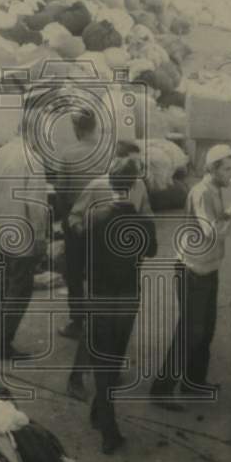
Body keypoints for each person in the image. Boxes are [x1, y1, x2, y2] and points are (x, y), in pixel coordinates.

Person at [150, 143, 231, 409]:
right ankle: (161, 390)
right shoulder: (202, 192)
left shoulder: (214, 189)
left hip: (208, 268)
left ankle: (193, 383)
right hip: (194, 270)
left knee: (206, 329)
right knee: (190, 332)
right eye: (227, 169)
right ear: (212, 169)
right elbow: (211, 230)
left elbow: (217, 217)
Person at [65, 140, 157, 401]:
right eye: (133, 162)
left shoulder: (139, 186)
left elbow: (147, 214)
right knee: (95, 326)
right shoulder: (96, 186)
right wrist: (86, 240)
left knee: (122, 324)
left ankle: (111, 372)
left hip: (127, 266)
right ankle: (76, 377)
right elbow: (74, 217)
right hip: (100, 268)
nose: (138, 169)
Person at [81, 155, 157, 453]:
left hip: (99, 295)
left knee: (102, 359)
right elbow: (150, 251)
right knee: (115, 356)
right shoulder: (141, 221)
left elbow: (83, 252)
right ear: (134, 184)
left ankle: (101, 411)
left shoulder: (94, 217)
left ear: (110, 183)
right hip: (127, 295)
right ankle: (108, 429)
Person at [0, 96, 52, 362]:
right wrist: (41, 240)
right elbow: (37, 208)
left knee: (4, 286)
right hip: (19, 234)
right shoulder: (34, 160)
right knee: (18, 291)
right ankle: (1, 345)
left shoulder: (3, 151)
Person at [50, 105, 102, 343]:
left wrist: (64, 221)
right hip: (106, 220)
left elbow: (61, 191)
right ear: (95, 127)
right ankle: (102, 321)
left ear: (76, 129)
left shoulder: (68, 155)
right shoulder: (109, 153)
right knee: (100, 270)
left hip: (77, 221)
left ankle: (78, 322)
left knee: (74, 272)